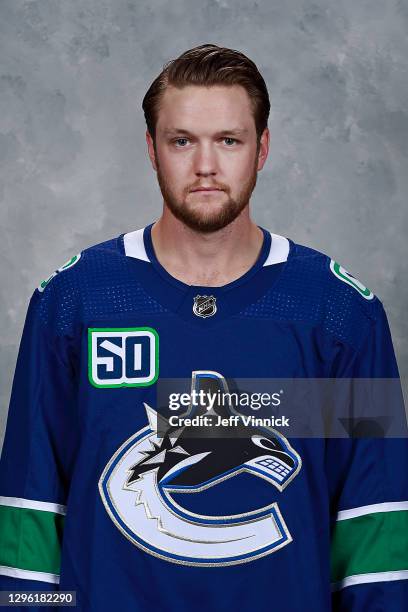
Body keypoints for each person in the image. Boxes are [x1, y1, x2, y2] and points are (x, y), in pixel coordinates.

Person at [0, 43, 407, 611]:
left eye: (229, 140)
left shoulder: (341, 314)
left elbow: (375, 540)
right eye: (182, 140)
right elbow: (30, 518)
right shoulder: (74, 302)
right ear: (151, 149)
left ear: (262, 149)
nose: (206, 166)